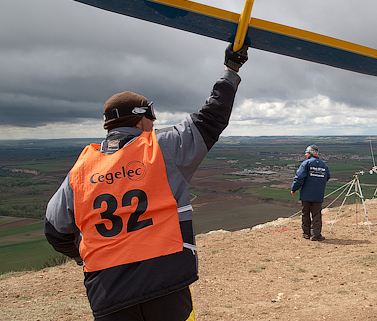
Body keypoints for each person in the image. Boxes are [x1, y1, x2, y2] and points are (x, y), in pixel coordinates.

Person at [44, 44, 248, 321]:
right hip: (164, 282)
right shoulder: (161, 148)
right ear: (142, 120)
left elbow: (55, 231)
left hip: (107, 291)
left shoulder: (79, 171)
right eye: (151, 119)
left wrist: (84, 255)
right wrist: (231, 69)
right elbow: (211, 118)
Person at [290, 145, 330, 241]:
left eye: (306, 153)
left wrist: (294, 188)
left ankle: (306, 234)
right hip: (318, 194)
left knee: (305, 213)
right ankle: (316, 235)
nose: (305, 155)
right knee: (317, 214)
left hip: (306, 194)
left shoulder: (306, 163)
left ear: (309, 153)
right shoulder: (324, 165)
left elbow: (299, 177)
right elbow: (327, 177)